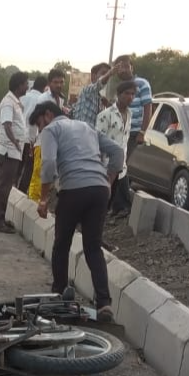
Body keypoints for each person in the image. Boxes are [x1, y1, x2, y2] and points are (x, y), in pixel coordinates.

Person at [31, 101, 124, 322]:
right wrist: (109, 181)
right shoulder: (86, 127)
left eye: (39, 124)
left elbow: (49, 163)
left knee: (62, 244)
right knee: (93, 247)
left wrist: (44, 198)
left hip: (73, 190)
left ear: (47, 115)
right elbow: (118, 152)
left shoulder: (52, 130)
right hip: (99, 190)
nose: (40, 130)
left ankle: (59, 295)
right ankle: (104, 304)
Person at [104, 54, 153, 216]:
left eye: (125, 66)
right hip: (120, 130)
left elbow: (147, 108)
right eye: (118, 67)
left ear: (132, 67)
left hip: (133, 132)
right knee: (118, 165)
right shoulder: (119, 87)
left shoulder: (142, 84)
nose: (122, 70)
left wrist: (142, 131)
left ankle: (123, 206)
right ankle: (116, 205)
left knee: (121, 165)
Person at [0, 72, 30, 232]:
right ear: (19, 85)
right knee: (3, 186)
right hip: (8, 151)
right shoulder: (8, 102)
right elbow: (7, 125)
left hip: (12, 151)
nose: (28, 86)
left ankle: (0, 218)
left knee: (6, 186)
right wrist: (16, 143)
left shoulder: (15, 102)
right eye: (26, 83)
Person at [95, 80, 137, 211]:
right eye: (126, 93)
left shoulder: (130, 115)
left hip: (121, 169)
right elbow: (97, 142)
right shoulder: (105, 115)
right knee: (99, 204)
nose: (130, 97)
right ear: (118, 95)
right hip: (105, 168)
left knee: (109, 203)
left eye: (132, 94)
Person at [18, 75, 47, 193]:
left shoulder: (23, 97)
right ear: (44, 87)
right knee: (29, 170)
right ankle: (21, 192)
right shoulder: (42, 99)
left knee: (17, 168)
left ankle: (12, 192)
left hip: (18, 138)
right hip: (31, 140)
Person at [72, 62, 116, 128]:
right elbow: (99, 84)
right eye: (103, 73)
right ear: (93, 76)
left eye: (108, 74)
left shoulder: (101, 98)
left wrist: (108, 105)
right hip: (80, 132)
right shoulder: (86, 90)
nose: (107, 77)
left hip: (92, 134)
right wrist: (109, 73)